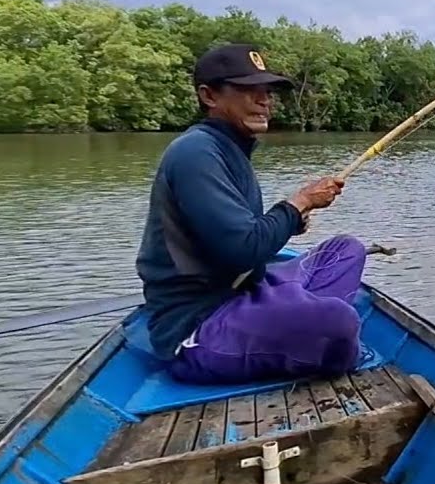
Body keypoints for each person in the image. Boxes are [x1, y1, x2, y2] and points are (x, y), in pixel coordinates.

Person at [135, 43, 369, 385]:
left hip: (246, 287)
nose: (264, 100)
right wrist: (299, 203)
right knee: (339, 322)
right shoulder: (196, 153)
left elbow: (241, 236)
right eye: (248, 90)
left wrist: (292, 220)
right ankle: (315, 332)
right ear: (209, 96)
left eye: (267, 91)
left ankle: (294, 319)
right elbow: (243, 247)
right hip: (201, 321)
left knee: (346, 251)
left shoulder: (229, 148)